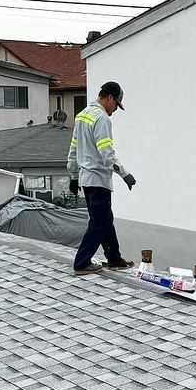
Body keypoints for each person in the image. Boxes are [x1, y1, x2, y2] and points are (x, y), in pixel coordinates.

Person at [68, 81, 137, 276]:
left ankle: (114, 258)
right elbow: (107, 153)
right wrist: (125, 174)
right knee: (99, 222)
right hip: (98, 179)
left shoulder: (82, 116)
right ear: (110, 98)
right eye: (116, 105)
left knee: (105, 218)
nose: (114, 110)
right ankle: (81, 262)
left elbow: (73, 149)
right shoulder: (102, 119)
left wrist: (73, 176)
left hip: (85, 179)